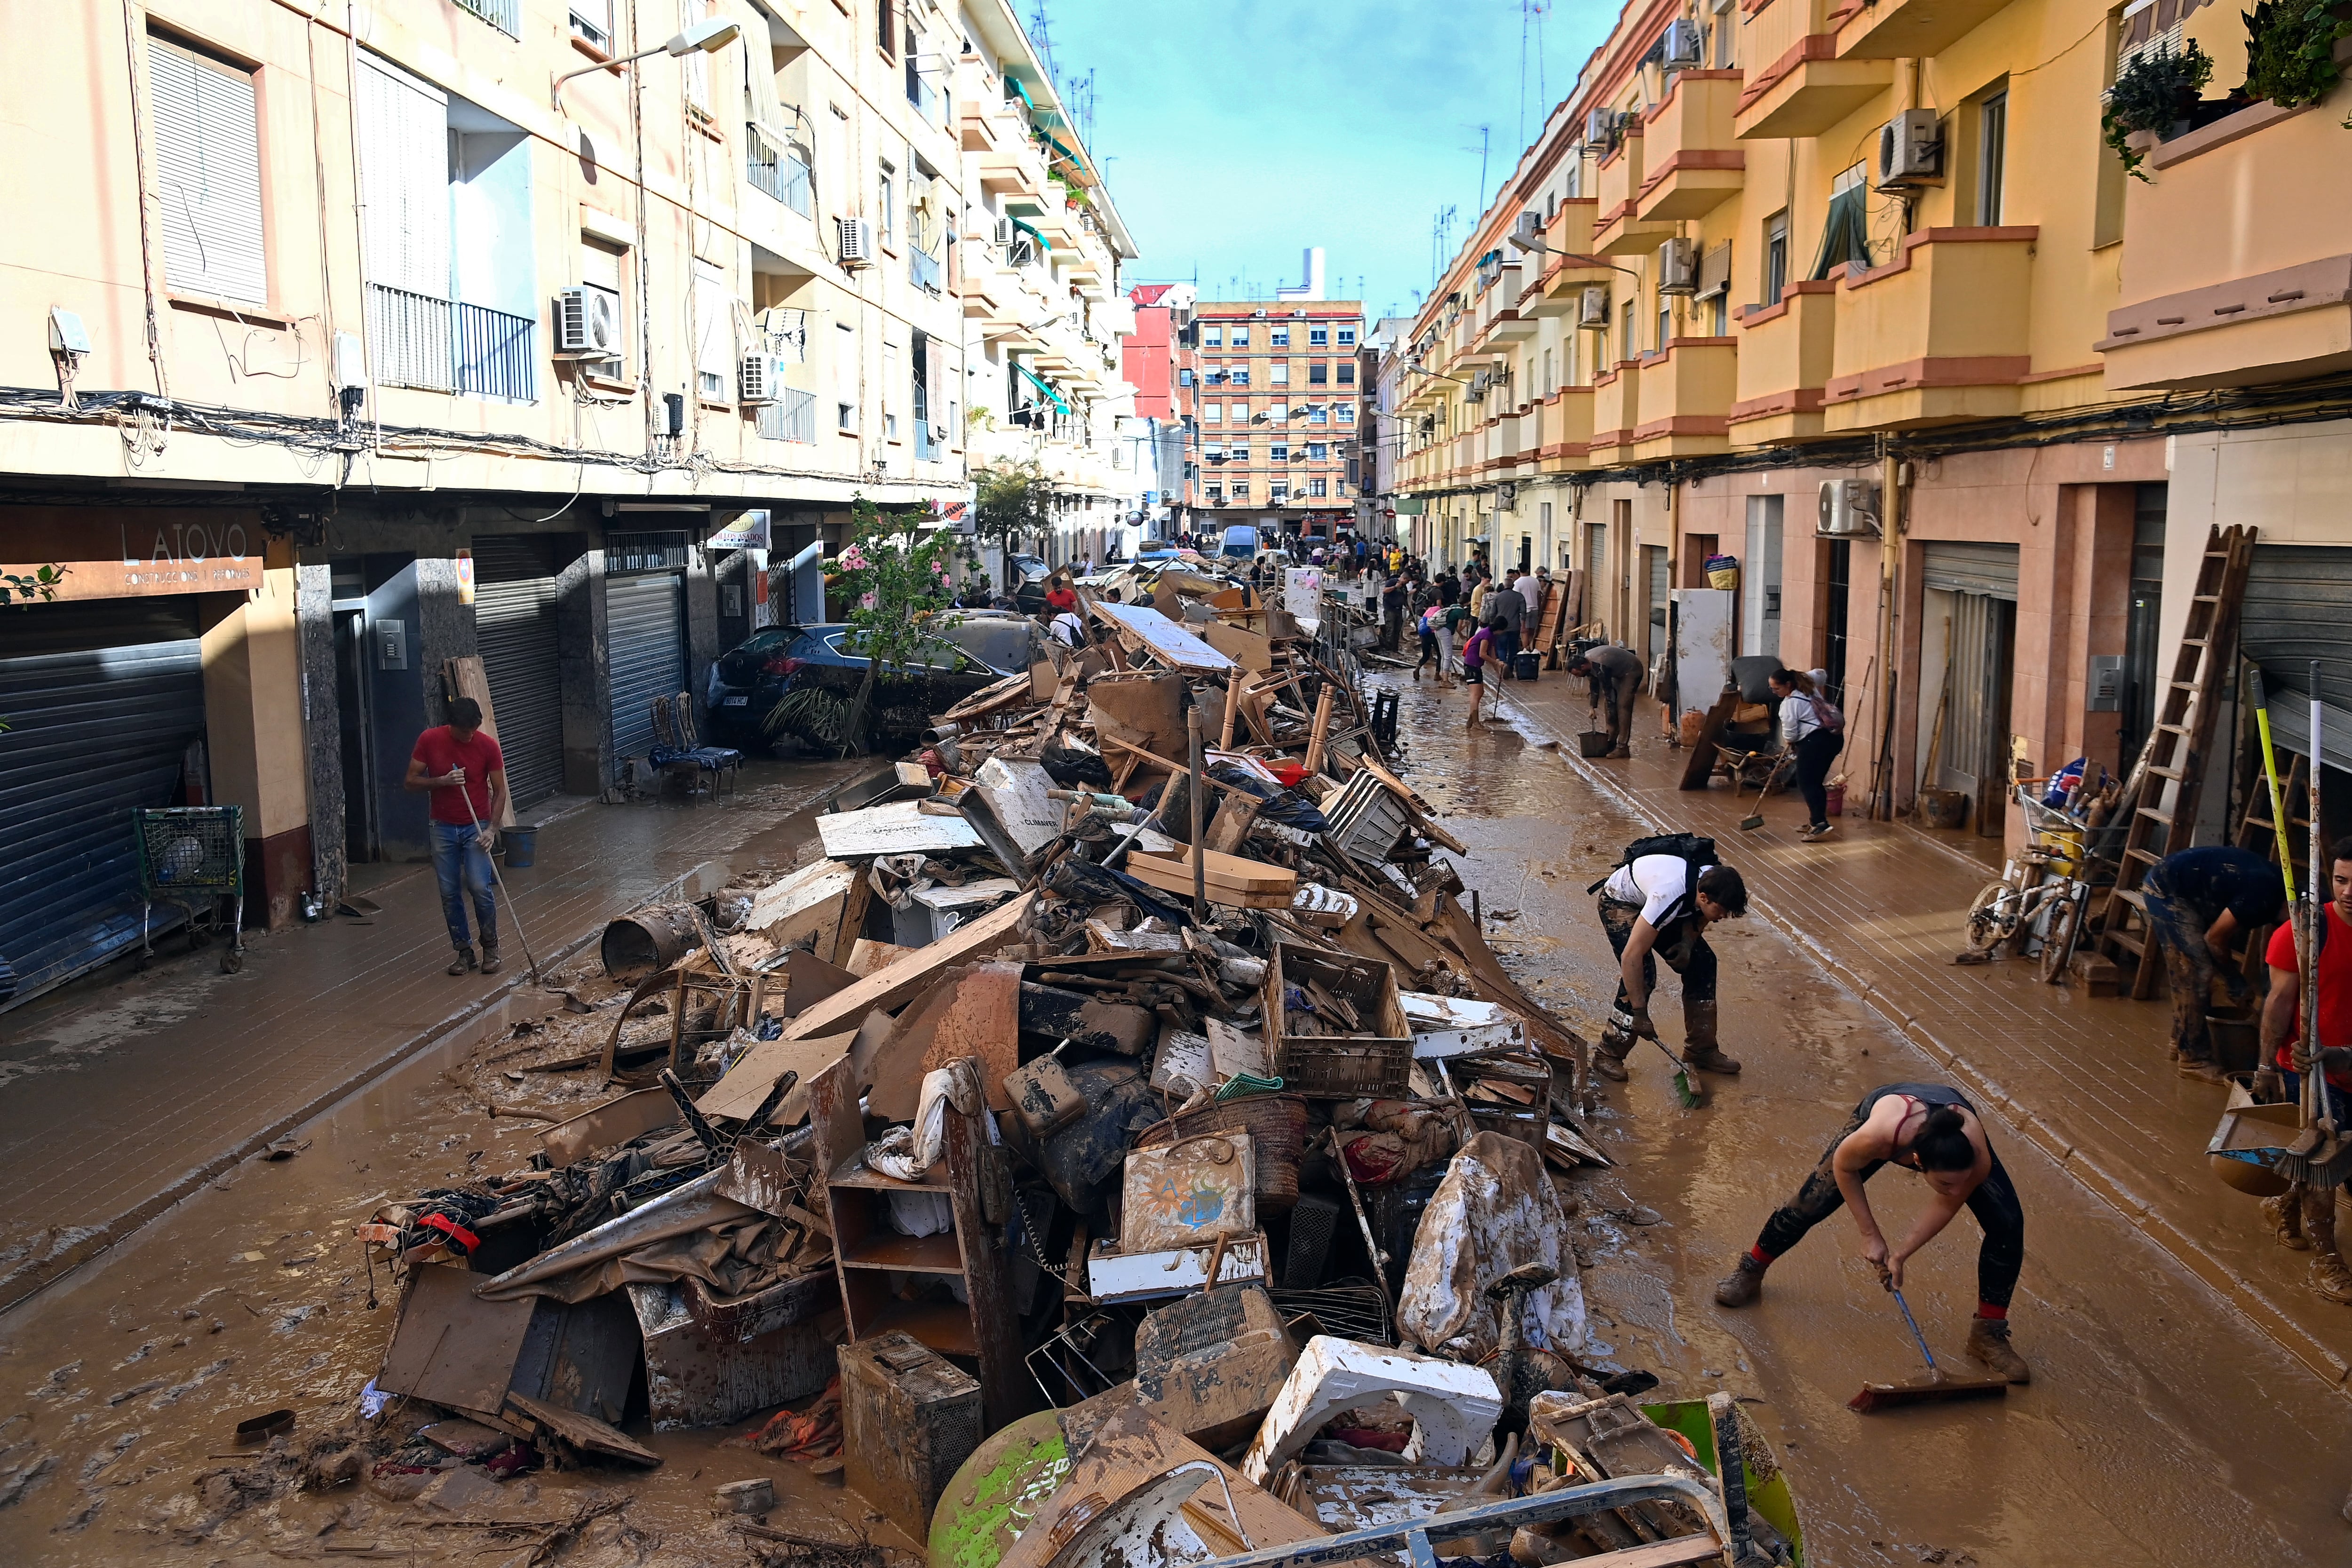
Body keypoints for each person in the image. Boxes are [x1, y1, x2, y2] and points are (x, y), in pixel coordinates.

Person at [1711, 1082, 2032, 1384]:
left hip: (1947, 1126)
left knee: (2007, 1223)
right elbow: (1845, 1167)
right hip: (1892, 1109)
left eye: (1963, 1181)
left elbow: (1947, 1204)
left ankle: (1987, 1333)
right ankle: (1750, 1271)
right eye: (1947, 1183)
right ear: (1917, 1162)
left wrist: (1902, 1253)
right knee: (1811, 1201)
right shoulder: (1880, 1136)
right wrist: (1870, 1234)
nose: (1958, 1190)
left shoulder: (1975, 1157)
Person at [2257, 838, 2352, 1301]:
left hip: (2348, 1061)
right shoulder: (2305, 933)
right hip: (2311, 1070)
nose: (2348, 890)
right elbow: (2277, 1003)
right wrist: (2264, 1065)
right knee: (2324, 1159)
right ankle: (2326, 1259)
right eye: (2339, 880)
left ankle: (2282, 1205)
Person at [1592, 843, 1747, 1080]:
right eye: (1723, 911)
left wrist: (1688, 943)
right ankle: (1609, 1053)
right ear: (1704, 897)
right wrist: (1640, 1014)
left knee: (1703, 962)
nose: (1723, 917)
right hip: (1622, 901)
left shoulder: (1713, 880)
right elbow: (1630, 957)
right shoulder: (1668, 896)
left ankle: (1701, 1050)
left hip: (1667, 901)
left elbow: (1703, 915)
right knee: (1643, 972)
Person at [2143, 845, 2285, 1078]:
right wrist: (2235, 980)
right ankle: (2193, 1059)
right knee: (2196, 972)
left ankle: (2180, 1039)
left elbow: (2272, 948)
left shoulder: (2278, 896)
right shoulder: (2264, 895)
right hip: (2167, 888)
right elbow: (2215, 940)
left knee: (2197, 967)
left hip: (2189, 885)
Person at [404, 698, 508, 977]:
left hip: (477, 826)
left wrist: (491, 830)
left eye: (474, 729)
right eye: (465, 732)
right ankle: (464, 952)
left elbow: (500, 791)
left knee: (479, 886)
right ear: (452, 725)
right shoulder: (429, 740)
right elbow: (410, 781)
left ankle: (491, 947)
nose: (470, 736)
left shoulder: (488, 746)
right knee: (449, 893)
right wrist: (441, 781)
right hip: (443, 827)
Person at [1769, 668, 1844, 842]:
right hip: (1833, 739)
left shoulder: (1789, 705)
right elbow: (1822, 673)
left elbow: (1790, 734)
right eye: (1771, 688)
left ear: (1788, 685)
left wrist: (1790, 741)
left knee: (1807, 783)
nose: (1774, 692)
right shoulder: (1808, 687)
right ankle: (1814, 821)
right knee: (1815, 782)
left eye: (1776, 688)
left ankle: (1820, 824)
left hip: (1815, 742)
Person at [1571, 644, 1645, 758]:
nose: (1577, 677)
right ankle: (1612, 740)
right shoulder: (1588, 665)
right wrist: (1592, 707)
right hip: (1616, 671)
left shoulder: (1600, 665)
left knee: (1623, 705)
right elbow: (1594, 685)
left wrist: (1611, 718)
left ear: (1583, 666)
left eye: (1577, 674)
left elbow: (1608, 693)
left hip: (1631, 669)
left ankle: (1622, 747)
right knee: (1609, 705)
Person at [1459, 619, 1499, 726]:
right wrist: (1496, 663)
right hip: (1472, 665)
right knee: (1475, 695)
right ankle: (1476, 722)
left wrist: (1498, 673)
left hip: (1475, 666)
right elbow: (1483, 654)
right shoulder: (1486, 635)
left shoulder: (1491, 635)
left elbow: (1493, 655)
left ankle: (1472, 718)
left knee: (1480, 693)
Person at [1485, 579, 1526, 679]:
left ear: (1504, 586)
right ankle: (1510, 669)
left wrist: (1493, 624)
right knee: (1513, 649)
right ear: (1513, 586)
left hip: (1500, 627)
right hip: (1514, 626)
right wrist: (1523, 625)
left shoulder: (1498, 597)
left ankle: (1503, 666)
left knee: (1501, 648)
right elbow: (1524, 613)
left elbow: (1492, 613)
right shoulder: (1519, 597)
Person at [1414, 601, 1450, 685]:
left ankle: (1418, 668)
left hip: (1424, 635)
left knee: (1426, 655)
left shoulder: (1428, 612)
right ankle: (1437, 674)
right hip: (1434, 634)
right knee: (1440, 654)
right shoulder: (1439, 610)